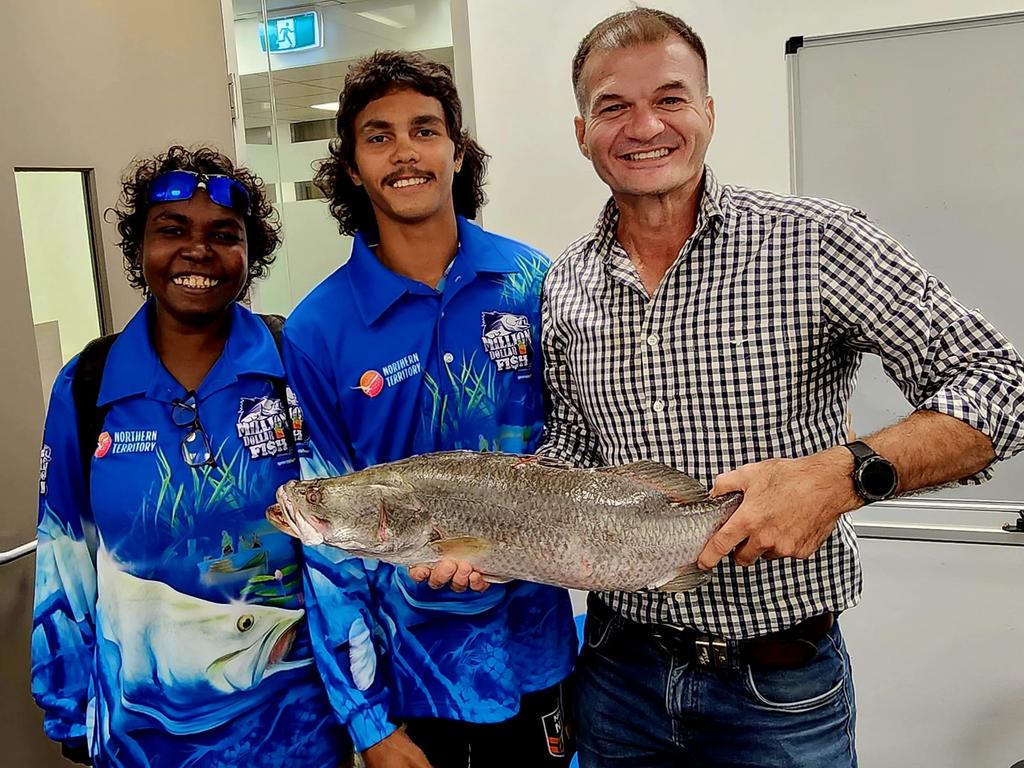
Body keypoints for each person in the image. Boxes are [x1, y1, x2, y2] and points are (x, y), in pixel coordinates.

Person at [538, 8, 1024, 768]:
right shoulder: (564, 282)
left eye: (670, 98)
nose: (644, 126)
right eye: (613, 106)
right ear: (582, 133)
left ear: (708, 111)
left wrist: (841, 476)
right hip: (616, 674)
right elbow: (572, 449)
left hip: (780, 690)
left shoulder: (816, 241)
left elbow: (999, 383)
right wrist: (478, 528)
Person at [281, 51, 577, 768]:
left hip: (539, 657)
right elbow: (324, 542)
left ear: (456, 150)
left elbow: (584, 445)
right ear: (352, 166)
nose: (405, 151)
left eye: (424, 129)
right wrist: (368, 724)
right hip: (407, 679)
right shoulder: (317, 329)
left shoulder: (533, 281)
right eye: (378, 136)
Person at [31, 145, 351, 767]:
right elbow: (62, 557)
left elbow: (340, 555)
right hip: (137, 743)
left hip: (298, 736)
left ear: (250, 255)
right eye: (171, 231)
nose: (197, 251)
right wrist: (68, 710)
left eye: (223, 234)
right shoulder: (87, 385)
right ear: (138, 251)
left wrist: (363, 703)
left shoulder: (296, 370)